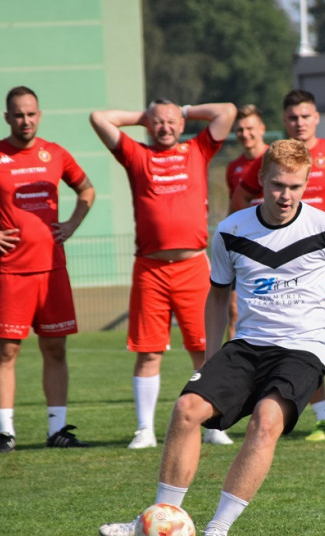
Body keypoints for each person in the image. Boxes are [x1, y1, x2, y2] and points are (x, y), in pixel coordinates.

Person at [99, 139, 325, 536]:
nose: (285, 195)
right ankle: (158, 520)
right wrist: (213, 357)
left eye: (294, 186)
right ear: (261, 180)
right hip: (247, 346)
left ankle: (217, 530)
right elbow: (217, 296)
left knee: (266, 421)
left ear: (306, 183)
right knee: (186, 409)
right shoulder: (232, 231)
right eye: (276, 185)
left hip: (302, 349)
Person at [0, 86, 94, 453]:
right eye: (18, 115)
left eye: (31, 114)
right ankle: (5, 433)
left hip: (53, 270)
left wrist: (72, 223)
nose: (26, 121)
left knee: (55, 349)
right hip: (11, 272)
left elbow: (86, 189)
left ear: (39, 115)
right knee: (6, 352)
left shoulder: (55, 154)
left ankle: (57, 430)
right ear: (7, 118)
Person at [90, 99, 237, 449]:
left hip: (193, 267)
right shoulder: (136, 155)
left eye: (172, 122)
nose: (165, 127)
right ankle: (145, 430)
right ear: (147, 125)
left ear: (182, 123)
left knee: (205, 349)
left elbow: (226, 111)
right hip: (150, 269)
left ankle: (215, 424)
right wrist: (144, 116)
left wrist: (181, 110)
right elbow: (99, 117)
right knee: (148, 351)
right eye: (157, 123)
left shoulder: (197, 149)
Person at [232, 89, 325, 442]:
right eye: (292, 118)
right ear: (283, 121)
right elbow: (241, 196)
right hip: (290, 269)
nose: (299, 123)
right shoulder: (273, 158)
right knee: (298, 343)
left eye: (305, 116)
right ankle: (323, 419)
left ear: (317, 118)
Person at [224, 105, 269, 338]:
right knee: (234, 308)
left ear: (262, 129)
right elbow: (233, 208)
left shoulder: (275, 158)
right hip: (246, 243)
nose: (245, 134)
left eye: (250, 128)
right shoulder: (233, 168)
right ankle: (234, 367)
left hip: (274, 240)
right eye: (240, 129)